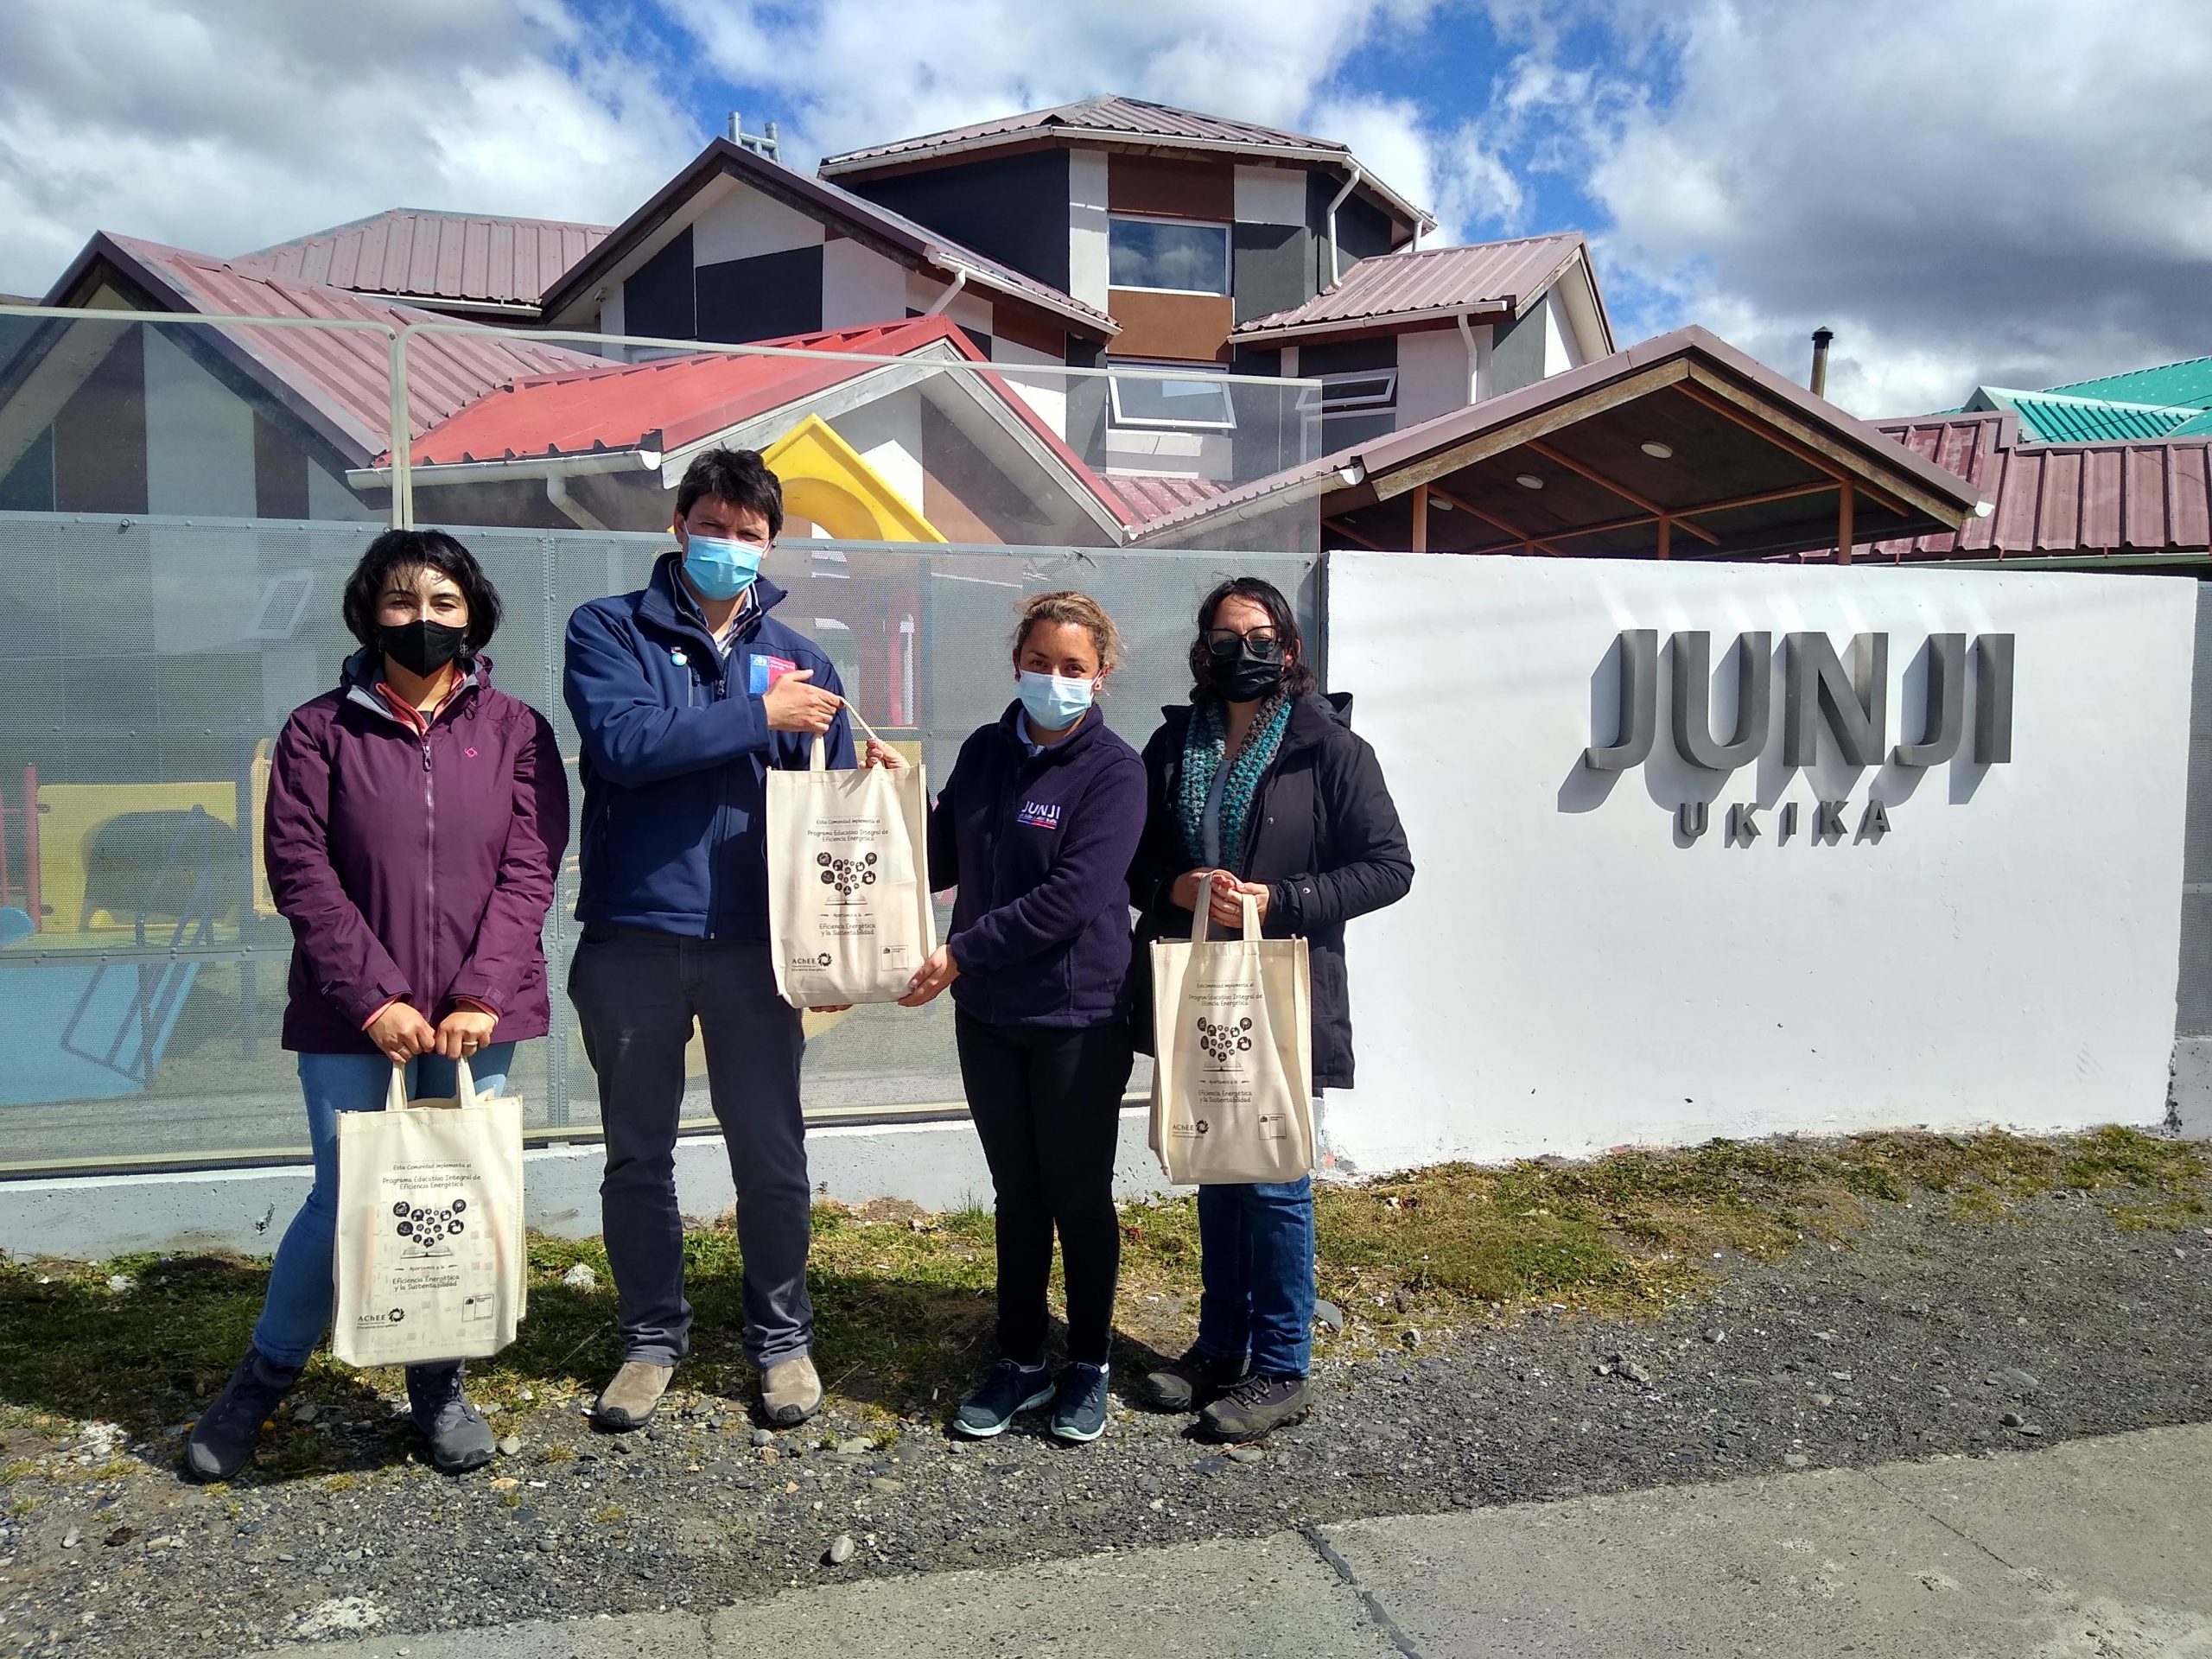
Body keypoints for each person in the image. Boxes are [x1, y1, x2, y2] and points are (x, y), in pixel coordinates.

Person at [186, 529, 569, 1482]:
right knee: (347, 1195)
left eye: (444, 603)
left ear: (473, 613)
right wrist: (375, 998)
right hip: (349, 1011)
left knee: (445, 1191)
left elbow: (532, 868)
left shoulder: (516, 729)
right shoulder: (318, 730)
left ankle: (436, 1387)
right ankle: (262, 1381)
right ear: (369, 612)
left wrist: (481, 990)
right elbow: (301, 872)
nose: (424, 619)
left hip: (479, 1016)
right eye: (402, 601)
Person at [564, 446, 892, 1433]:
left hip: (758, 945)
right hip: (635, 934)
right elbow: (623, 749)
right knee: (637, 1153)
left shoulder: (804, 657)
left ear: (771, 543)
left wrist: (860, 776)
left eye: (749, 535)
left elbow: (826, 812)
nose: (730, 547)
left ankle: (781, 1339)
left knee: (771, 1150)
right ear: (678, 527)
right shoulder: (608, 629)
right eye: (713, 528)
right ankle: (650, 1337)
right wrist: (757, 713)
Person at [1128, 576, 1413, 1440]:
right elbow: (1132, 861)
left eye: (1258, 636)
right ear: (1202, 649)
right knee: (1218, 1167)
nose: (1240, 650)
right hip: (1202, 982)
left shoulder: (1329, 747)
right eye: (1223, 635)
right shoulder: (1175, 744)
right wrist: (1176, 884)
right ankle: (1219, 1348)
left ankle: (1282, 1366)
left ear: (1287, 650)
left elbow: (1389, 866)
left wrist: (1276, 899)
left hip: (1282, 985)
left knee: (1278, 1177)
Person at [899, 593, 1147, 1443]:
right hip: (992, 1017)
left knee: (1077, 1195)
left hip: (1079, 1017)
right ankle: (1017, 1357)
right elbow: (933, 857)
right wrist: (879, 796)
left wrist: (964, 950)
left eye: (1072, 668)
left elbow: (1073, 897)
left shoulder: (1114, 771)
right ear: (1017, 663)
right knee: (1016, 1194)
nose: (1053, 679)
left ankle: (1088, 1364)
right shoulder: (982, 753)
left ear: (1100, 676)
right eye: (1039, 661)